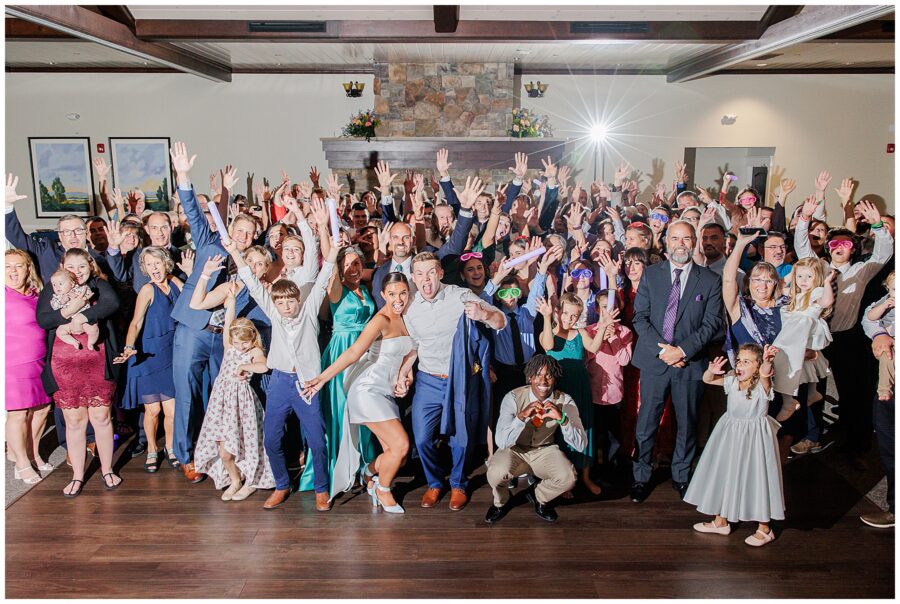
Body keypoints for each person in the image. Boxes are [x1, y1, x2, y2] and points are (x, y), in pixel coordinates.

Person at [224, 232, 339, 512]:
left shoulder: (309, 311)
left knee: (316, 440)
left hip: (308, 384)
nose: (286, 307)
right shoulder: (274, 313)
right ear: (274, 304)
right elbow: (251, 282)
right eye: (281, 302)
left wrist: (333, 251)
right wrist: (235, 252)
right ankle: (282, 485)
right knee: (272, 439)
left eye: (291, 301)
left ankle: (322, 490)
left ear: (298, 299)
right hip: (280, 382)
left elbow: (323, 277)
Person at [401, 242, 507, 511]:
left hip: (459, 380)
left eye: (430, 273)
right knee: (423, 438)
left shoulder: (460, 296)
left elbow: (500, 321)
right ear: (413, 278)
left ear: (439, 273)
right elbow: (413, 347)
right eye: (420, 274)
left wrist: (482, 314)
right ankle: (435, 483)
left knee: (461, 438)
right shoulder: (409, 306)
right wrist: (403, 372)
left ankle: (459, 484)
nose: (425, 279)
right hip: (427, 379)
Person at [303, 272, 414, 513]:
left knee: (398, 456)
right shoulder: (381, 320)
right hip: (367, 390)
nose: (398, 299)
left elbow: (410, 353)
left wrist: (406, 375)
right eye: (392, 294)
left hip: (387, 392)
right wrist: (322, 378)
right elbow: (353, 353)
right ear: (383, 295)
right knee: (401, 446)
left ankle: (368, 471)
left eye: (403, 293)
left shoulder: (409, 317)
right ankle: (382, 490)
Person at [630, 220, 723, 503]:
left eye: (686, 239)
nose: (680, 244)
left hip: (690, 364)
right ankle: (641, 476)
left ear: (693, 242)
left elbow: (712, 325)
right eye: (675, 239)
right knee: (646, 423)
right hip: (655, 363)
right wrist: (664, 352)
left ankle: (682, 476)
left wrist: (681, 351)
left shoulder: (709, 280)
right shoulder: (651, 275)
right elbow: (640, 318)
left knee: (687, 423)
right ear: (666, 242)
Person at [35, 249, 122, 497]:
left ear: (90, 266)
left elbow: (112, 303)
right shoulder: (54, 287)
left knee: (102, 417)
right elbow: (43, 319)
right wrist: (67, 311)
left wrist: (81, 315)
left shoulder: (98, 284)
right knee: (74, 422)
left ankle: (107, 470)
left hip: (97, 362)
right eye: (71, 266)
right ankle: (77, 475)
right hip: (64, 365)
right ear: (63, 266)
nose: (77, 271)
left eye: (82, 266)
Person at [685, 344, 784, 547]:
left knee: (757, 476)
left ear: (756, 366)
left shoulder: (762, 384)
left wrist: (767, 360)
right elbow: (708, 380)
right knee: (725, 473)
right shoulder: (732, 381)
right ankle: (721, 520)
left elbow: (766, 372)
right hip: (730, 434)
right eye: (739, 360)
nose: (740, 365)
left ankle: (765, 528)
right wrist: (710, 371)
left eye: (747, 362)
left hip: (754, 437)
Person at [298, 245, 375, 495]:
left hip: (366, 354)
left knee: (364, 409)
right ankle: (337, 467)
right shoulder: (336, 289)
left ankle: (363, 466)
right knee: (341, 410)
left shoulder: (364, 289)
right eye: (347, 264)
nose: (352, 269)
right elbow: (330, 270)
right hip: (342, 350)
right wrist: (328, 236)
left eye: (356, 264)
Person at [193, 285, 276, 501]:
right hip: (222, 400)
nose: (240, 347)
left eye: (244, 343)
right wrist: (230, 301)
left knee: (246, 443)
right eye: (237, 343)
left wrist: (245, 366)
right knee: (223, 449)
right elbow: (229, 323)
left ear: (252, 340)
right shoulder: (230, 346)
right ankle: (234, 478)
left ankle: (251, 480)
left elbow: (263, 366)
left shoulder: (254, 351)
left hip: (243, 402)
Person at [484, 355, 586, 524]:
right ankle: (500, 503)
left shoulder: (565, 400)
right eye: (538, 375)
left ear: (555, 378)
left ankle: (539, 497)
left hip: (545, 450)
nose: (543, 381)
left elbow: (581, 445)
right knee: (495, 473)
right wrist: (521, 417)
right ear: (530, 377)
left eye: (549, 375)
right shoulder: (513, 398)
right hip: (514, 449)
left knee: (568, 478)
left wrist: (563, 419)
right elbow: (501, 443)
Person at [113, 247, 183, 472]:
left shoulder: (175, 282)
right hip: (148, 355)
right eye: (149, 265)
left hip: (171, 353)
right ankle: (152, 448)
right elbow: (136, 322)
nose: (154, 269)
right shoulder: (147, 290)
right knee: (153, 411)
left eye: (158, 263)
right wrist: (129, 346)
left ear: (166, 264)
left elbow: (192, 299)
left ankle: (170, 447)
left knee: (171, 411)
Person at [536, 293, 605, 495]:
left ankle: (585, 476)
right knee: (560, 433)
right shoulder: (548, 332)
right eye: (565, 313)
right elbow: (548, 346)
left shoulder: (581, 332)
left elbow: (594, 347)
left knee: (583, 428)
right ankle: (566, 479)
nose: (569, 318)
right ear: (558, 312)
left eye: (574, 316)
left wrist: (602, 325)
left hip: (580, 389)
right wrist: (547, 318)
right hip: (558, 391)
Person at [5, 249, 53, 485]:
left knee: (43, 408)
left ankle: (31, 453)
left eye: (19, 266)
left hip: (39, 361)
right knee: (18, 413)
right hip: (12, 364)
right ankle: (21, 464)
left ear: (28, 268)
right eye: (8, 267)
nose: (14, 271)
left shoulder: (36, 294)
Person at [770, 257, 835, 423]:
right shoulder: (797, 293)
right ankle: (812, 392)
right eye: (800, 277)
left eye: (809, 277)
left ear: (817, 277)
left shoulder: (817, 292)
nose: (803, 281)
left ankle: (788, 401)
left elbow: (827, 301)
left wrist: (827, 282)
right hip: (796, 331)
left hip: (802, 330)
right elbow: (778, 288)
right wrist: (791, 273)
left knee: (784, 358)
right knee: (802, 364)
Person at [863, 271, 895, 401]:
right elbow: (869, 317)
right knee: (887, 356)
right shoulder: (887, 300)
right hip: (890, 339)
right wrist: (883, 306)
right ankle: (884, 390)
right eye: (894, 289)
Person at [48, 269, 100, 350]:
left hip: (84, 320)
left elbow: (89, 293)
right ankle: (73, 342)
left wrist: (76, 295)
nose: (57, 287)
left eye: (60, 284)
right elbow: (54, 307)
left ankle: (91, 343)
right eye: (54, 285)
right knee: (60, 332)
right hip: (68, 323)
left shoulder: (79, 288)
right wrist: (62, 301)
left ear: (72, 284)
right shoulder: (57, 297)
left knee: (94, 329)